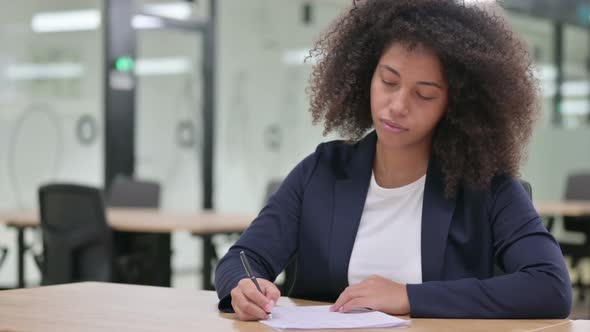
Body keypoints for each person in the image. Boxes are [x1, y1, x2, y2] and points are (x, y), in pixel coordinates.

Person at [215, 0, 572, 320]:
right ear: (365, 76)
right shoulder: (323, 171)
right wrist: (244, 286)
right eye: (389, 81)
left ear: (455, 105)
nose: (398, 105)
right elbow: (244, 258)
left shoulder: (486, 186)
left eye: (424, 94)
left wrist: (407, 296)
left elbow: (550, 286)